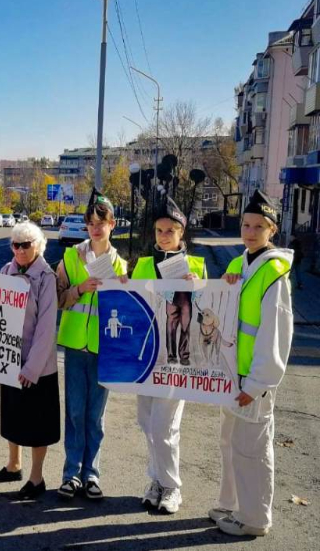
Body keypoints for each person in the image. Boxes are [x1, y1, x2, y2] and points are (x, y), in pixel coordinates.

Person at [211, 189, 293, 537]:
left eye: (258, 226)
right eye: (246, 224)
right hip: (233, 375)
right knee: (231, 443)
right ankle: (231, 505)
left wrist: (257, 385)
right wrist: (225, 284)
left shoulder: (273, 273)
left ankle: (255, 519)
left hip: (252, 382)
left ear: (271, 230)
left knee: (252, 450)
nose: (249, 231)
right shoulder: (237, 263)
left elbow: (275, 334)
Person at [131, 195, 206, 514]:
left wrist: (198, 286)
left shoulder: (196, 265)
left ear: (181, 234)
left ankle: (172, 486)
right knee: (146, 421)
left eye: (170, 231)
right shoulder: (145, 264)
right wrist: (123, 284)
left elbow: (213, 307)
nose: (163, 236)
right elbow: (131, 303)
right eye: (159, 230)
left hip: (177, 357)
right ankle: (157, 480)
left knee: (165, 426)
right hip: (147, 356)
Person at [56, 188, 127, 501]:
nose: (96, 227)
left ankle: (92, 475)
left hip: (104, 350)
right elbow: (58, 299)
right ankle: (71, 474)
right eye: (91, 222)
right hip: (74, 348)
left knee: (95, 417)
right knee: (74, 413)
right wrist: (79, 288)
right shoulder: (70, 258)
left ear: (112, 224)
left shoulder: (122, 266)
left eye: (102, 222)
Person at [0, 222, 60, 499]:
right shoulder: (6, 271)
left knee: (38, 424)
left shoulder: (46, 277)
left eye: (25, 245)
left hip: (38, 368)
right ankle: (13, 464)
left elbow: (46, 327)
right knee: (13, 416)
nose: (19, 250)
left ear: (38, 247)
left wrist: (31, 367)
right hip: (10, 362)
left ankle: (36, 477)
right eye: (15, 245)